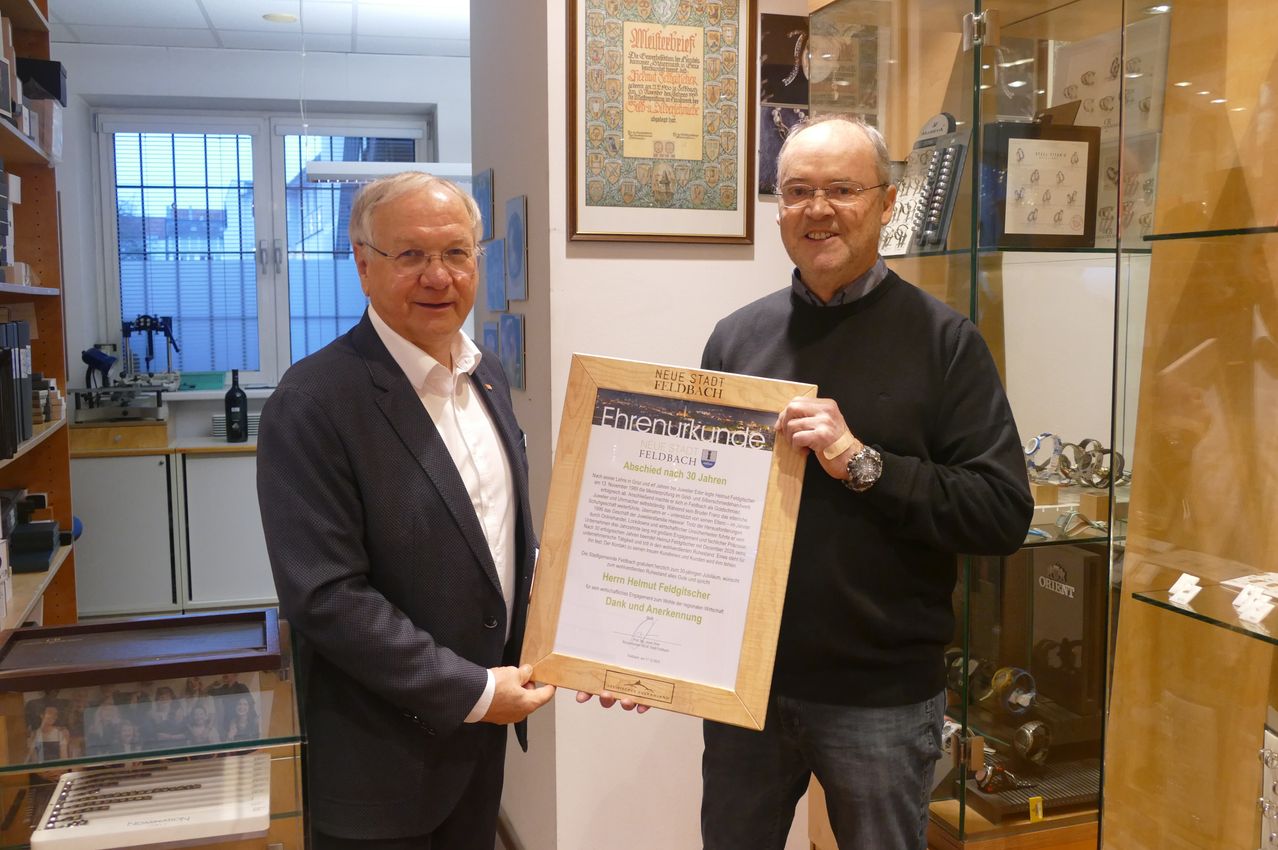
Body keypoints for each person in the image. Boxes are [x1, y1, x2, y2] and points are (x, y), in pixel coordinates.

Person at [697, 116, 1033, 850]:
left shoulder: (946, 342)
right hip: (744, 684)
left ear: (886, 204)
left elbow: (1002, 514)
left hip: (880, 697)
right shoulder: (734, 339)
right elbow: (703, 503)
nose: (819, 210)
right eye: (798, 192)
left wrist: (861, 462)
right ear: (779, 209)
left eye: (842, 190)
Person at [257, 171, 554, 850]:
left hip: (477, 755)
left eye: (455, 253)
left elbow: (502, 541)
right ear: (363, 265)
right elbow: (327, 597)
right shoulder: (312, 403)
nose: (438, 276)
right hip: (378, 770)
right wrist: (474, 691)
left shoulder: (487, 376)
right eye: (411, 255)